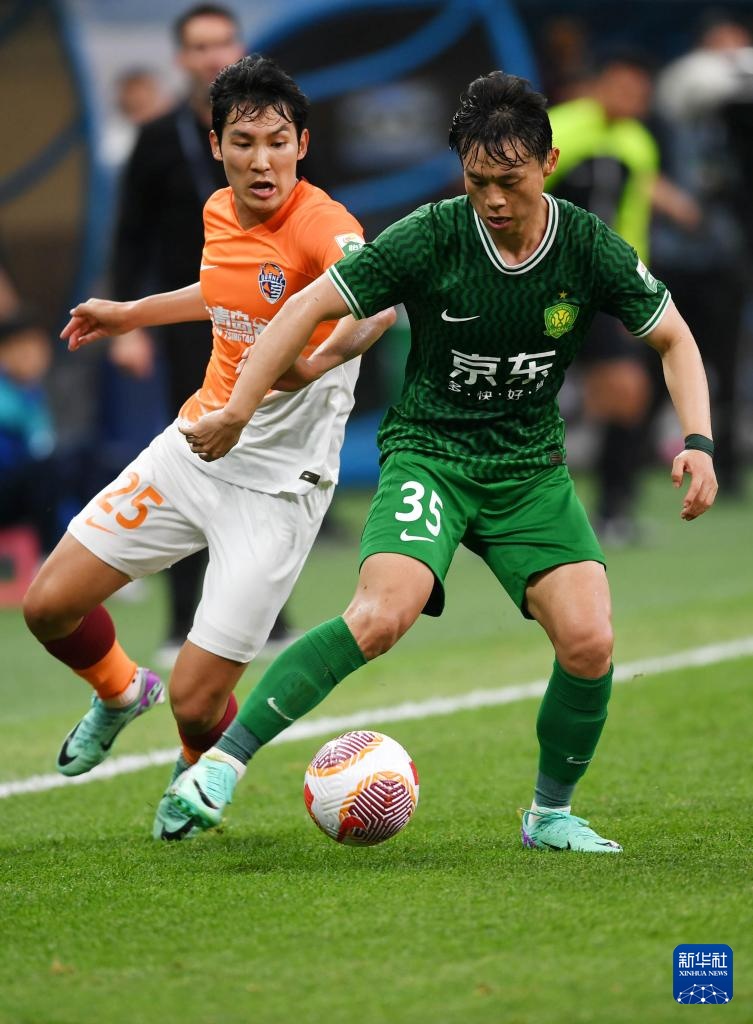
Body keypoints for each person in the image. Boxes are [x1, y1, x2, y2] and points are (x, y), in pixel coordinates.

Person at [167, 71, 717, 853]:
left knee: (590, 642)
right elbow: (307, 305)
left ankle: (549, 816)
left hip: (527, 468)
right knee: (379, 616)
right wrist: (238, 409)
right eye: (476, 180)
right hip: (430, 455)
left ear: (548, 163)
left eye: (509, 181)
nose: (491, 199)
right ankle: (220, 766)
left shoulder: (587, 245)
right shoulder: (429, 236)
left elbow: (673, 337)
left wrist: (697, 441)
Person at [23, 55, 394, 841]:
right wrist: (131, 313)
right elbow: (227, 293)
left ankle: (196, 772)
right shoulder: (219, 209)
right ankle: (121, 691)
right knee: (48, 606)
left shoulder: (322, 223)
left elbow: (379, 305)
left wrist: (316, 363)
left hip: (276, 491)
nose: (261, 161)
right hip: (194, 448)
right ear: (216, 143)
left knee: (198, 701)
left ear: (301, 145)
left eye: (277, 142)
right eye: (243, 142)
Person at [108, 4, 247, 663]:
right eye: (199, 45)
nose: (213, 55)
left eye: (222, 42)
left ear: (239, 47)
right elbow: (129, 237)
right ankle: (182, 621)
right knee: (196, 463)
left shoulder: (271, 128)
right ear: (181, 59)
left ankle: (263, 618)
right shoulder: (159, 137)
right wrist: (126, 325)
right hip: (189, 325)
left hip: (270, 321)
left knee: (262, 464)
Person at [545, 50, 701, 543]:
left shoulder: (637, 143)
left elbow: (631, 221)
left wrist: (634, 288)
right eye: (622, 88)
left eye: (639, 93)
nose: (630, 99)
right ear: (600, 85)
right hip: (542, 284)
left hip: (599, 288)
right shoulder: (559, 129)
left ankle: (613, 511)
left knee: (628, 390)